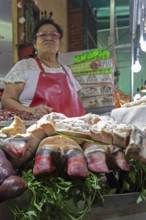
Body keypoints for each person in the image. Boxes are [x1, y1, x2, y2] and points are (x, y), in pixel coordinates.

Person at [1, 18, 86, 117]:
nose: (49, 38)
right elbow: (6, 100)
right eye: (43, 35)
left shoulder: (67, 70)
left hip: (69, 129)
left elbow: (77, 103)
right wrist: (30, 110)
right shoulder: (25, 66)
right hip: (36, 129)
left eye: (54, 35)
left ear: (59, 43)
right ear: (35, 44)